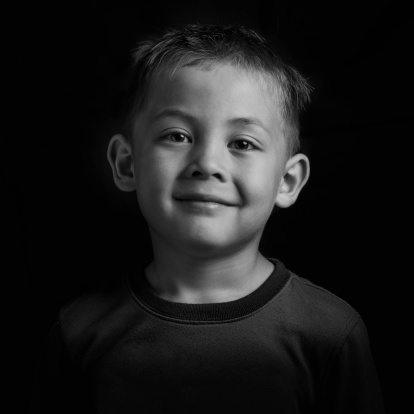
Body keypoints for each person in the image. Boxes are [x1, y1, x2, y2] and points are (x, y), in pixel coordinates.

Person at [30, 23, 385, 413]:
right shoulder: (79, 332)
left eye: (242, 143)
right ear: (128, 164)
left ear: (286, 180)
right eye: (177, 136)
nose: (207, 164)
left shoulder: (330, 334)